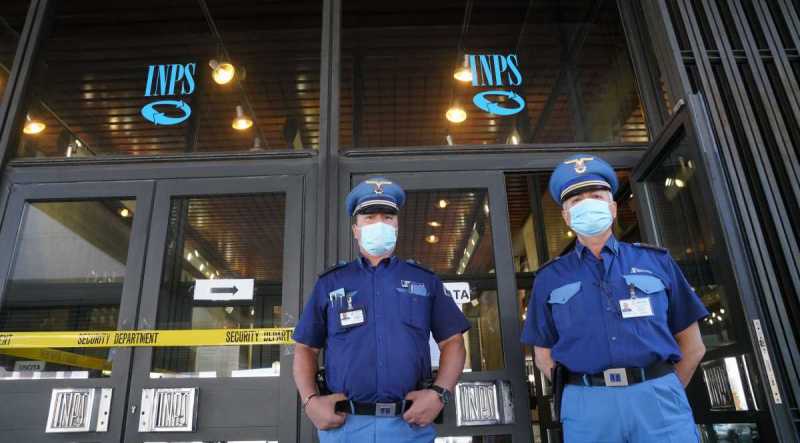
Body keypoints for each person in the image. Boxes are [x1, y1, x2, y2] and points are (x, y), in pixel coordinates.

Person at [521, 154, 708, 442]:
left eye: (596, 197)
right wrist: (581, 395)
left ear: (613, 207)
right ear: (567, 217)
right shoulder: (550, 277)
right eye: (576, 201)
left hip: (657, 399)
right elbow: (543, 356)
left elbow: (693, 345)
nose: (587, 205)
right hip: (587, 406)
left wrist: (662, 389)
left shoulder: (656, 262)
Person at [292, 177, 470, 442]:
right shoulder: (331, 283)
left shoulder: (424, 280)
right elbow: (305, 348)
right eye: (370, 218)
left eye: (388, 218)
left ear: (397, 226)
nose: (380, 224)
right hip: (345, 427)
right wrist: (310, 401)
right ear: (356, 230)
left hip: (409, 425)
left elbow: (453, 342)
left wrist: (439, 393)